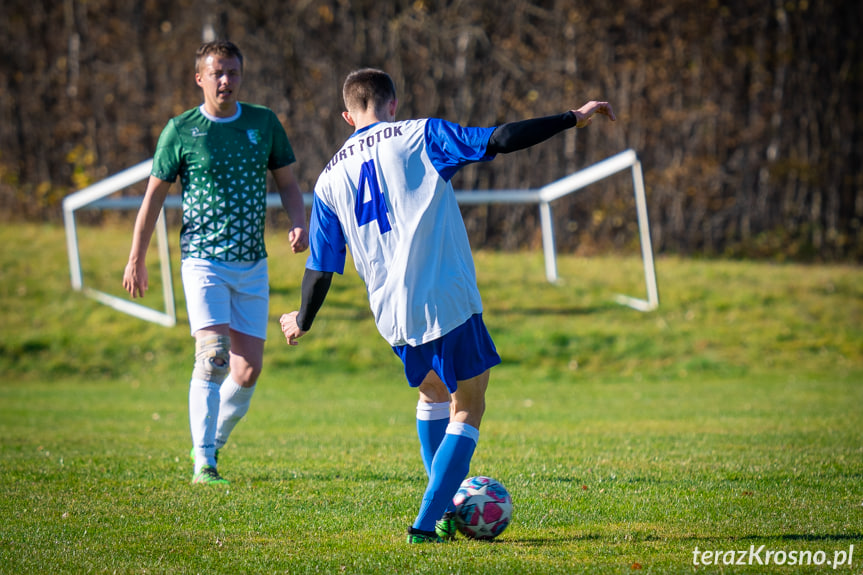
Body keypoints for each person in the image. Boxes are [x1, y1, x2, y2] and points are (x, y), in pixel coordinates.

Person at [279, 68, 614, 542]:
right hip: (445, 298)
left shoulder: (329, 178)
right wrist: (570, 118)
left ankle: (439, 510)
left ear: (346, 116)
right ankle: (426, 522)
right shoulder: (420, 134)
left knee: (432, 396)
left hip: (393, 315)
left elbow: (321, 266)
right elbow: (498, 139)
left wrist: (302, 320)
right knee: (468, 407)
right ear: (392, 104)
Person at [123, 40, 308, 485]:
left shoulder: (263, 123)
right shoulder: (181, 130)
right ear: (200, 78)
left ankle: (211, 442)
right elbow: (152, 199)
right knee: (213, 357)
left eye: (233, 73)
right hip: (203, 259)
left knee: (247, 370)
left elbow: (288, 182)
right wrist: (137, 258)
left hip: (252, 264)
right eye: (217, 73)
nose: (225, 81)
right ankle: (203, 462)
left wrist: (300, 221)